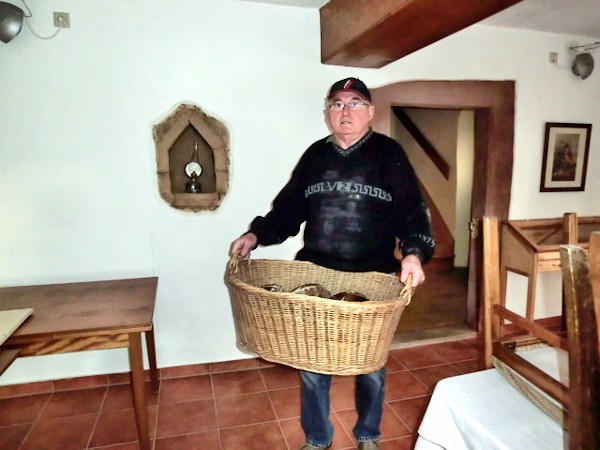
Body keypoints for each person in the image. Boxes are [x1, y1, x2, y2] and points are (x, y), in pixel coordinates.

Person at [230, 77, 435, 450]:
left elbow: (413, 214)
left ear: (370, 112)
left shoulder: (389, 155)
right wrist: (255, 235)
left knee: (370, 364)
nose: (345, 111)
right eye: (337, 103)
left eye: (355, 103)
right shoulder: (315, 156)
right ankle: (317, 438)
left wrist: (414, 252)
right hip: (317, 276)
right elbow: (287, 211)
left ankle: (368, 434)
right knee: (312, 362)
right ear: (327, 112)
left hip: (372, 277)